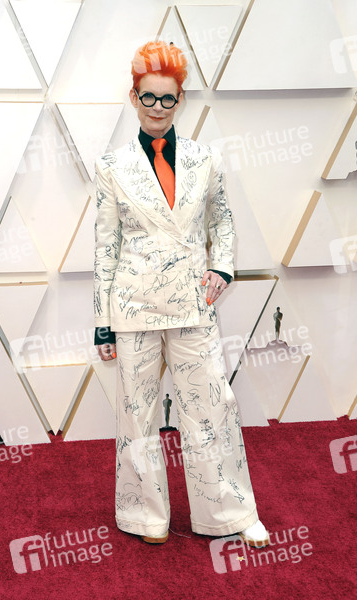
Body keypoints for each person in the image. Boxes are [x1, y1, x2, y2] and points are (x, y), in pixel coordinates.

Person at [93, 41, 269, 547]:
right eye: (148, 97)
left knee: (213, 408)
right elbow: (106, 244)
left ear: (180, 100)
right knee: (137, 415)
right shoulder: (111, 166)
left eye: (167, 98)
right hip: (133, 306)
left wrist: (222, 268)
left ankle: (230, 512)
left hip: (194, 303)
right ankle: (144, 515)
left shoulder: (204, 158)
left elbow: (223, 221)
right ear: (134, 98)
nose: (157, 107)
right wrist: (103, 321)